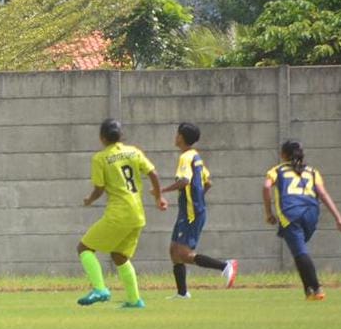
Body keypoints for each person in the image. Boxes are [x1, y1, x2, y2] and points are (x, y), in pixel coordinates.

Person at [77, 118, 168, 309]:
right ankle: (134, 300)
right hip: (137, 215)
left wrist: (89, 200)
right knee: (119, 256)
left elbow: (99, 188)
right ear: (121, 135)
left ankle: (100, 289)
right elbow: (153, 173)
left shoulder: (100, 158)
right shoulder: (133, 152)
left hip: (119, 214)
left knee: (84, 248)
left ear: (102, 137)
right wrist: (158, 197)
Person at [263, 139, 341, 301]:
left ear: (283, 155)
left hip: (291, 213)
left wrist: (268, 213)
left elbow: (267, 186)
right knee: (299, 251)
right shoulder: (312, 172)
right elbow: (323, 194)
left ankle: (317, 288)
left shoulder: (277, 170)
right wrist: (339, 219)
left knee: (300, 252)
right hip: (311, 213)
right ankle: (308, 290)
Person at [161, 122, 237, 299]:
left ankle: (225, 266)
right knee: (174, 250)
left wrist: (162, 191)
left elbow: (185, 181)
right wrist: (197, 198)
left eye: (177, 133)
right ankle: (182, 293)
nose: (175, 136)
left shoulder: (186, 157)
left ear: (181, 137)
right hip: (191, 210)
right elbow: (208, 182)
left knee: (184, 254)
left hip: (191, 212)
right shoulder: (196, 156)